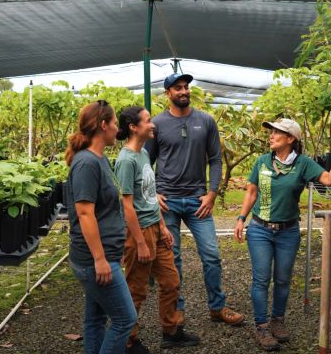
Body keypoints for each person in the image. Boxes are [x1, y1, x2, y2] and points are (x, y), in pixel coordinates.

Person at [232, 118, 331, 351]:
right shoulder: (262, 162)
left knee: (282, 279)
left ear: (291, 139)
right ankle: (262, 326)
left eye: (277, 132)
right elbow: (251, 193)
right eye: (271, 132)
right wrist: (240, 218)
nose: (271, 136)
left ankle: (278, 321)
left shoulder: (303, 164)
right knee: (261, 279)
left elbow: (328, 180)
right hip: (259, 229)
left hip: (288, 232)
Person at [145, 72, 246, 326]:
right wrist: (153, 193)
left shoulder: (206, 121)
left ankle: (217, 307)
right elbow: (145, 163)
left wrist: (211, 193)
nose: (183, 91)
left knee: (211, 254)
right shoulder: (157, 125)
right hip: (167, 201)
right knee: (172, 258)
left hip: (197, 201)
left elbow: (214, 159)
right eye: (177, 88)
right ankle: (176, 311)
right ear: (167, 93)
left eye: (186, 87)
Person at [115, 106, 201, 354]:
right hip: (139, 232)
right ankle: (129, 341)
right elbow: (128, 206)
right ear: (134, 127)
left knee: (171, 281)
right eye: (148, 121)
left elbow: (150, 195)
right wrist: (140, 242)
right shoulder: (126, 160)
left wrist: (162, 226)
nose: (152, 125)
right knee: (136, 289)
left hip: (155, 227)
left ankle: (171, 331)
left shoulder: (142, 153)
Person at [65, 100, 137, 354]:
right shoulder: (87, 163)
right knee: (125, 319)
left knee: (95, 319)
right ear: (103, 125)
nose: (118, 129)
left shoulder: (100, 158)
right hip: (94, 259)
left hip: (105, 255)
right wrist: (100, 259)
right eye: (115, 122)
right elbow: (85, 214)